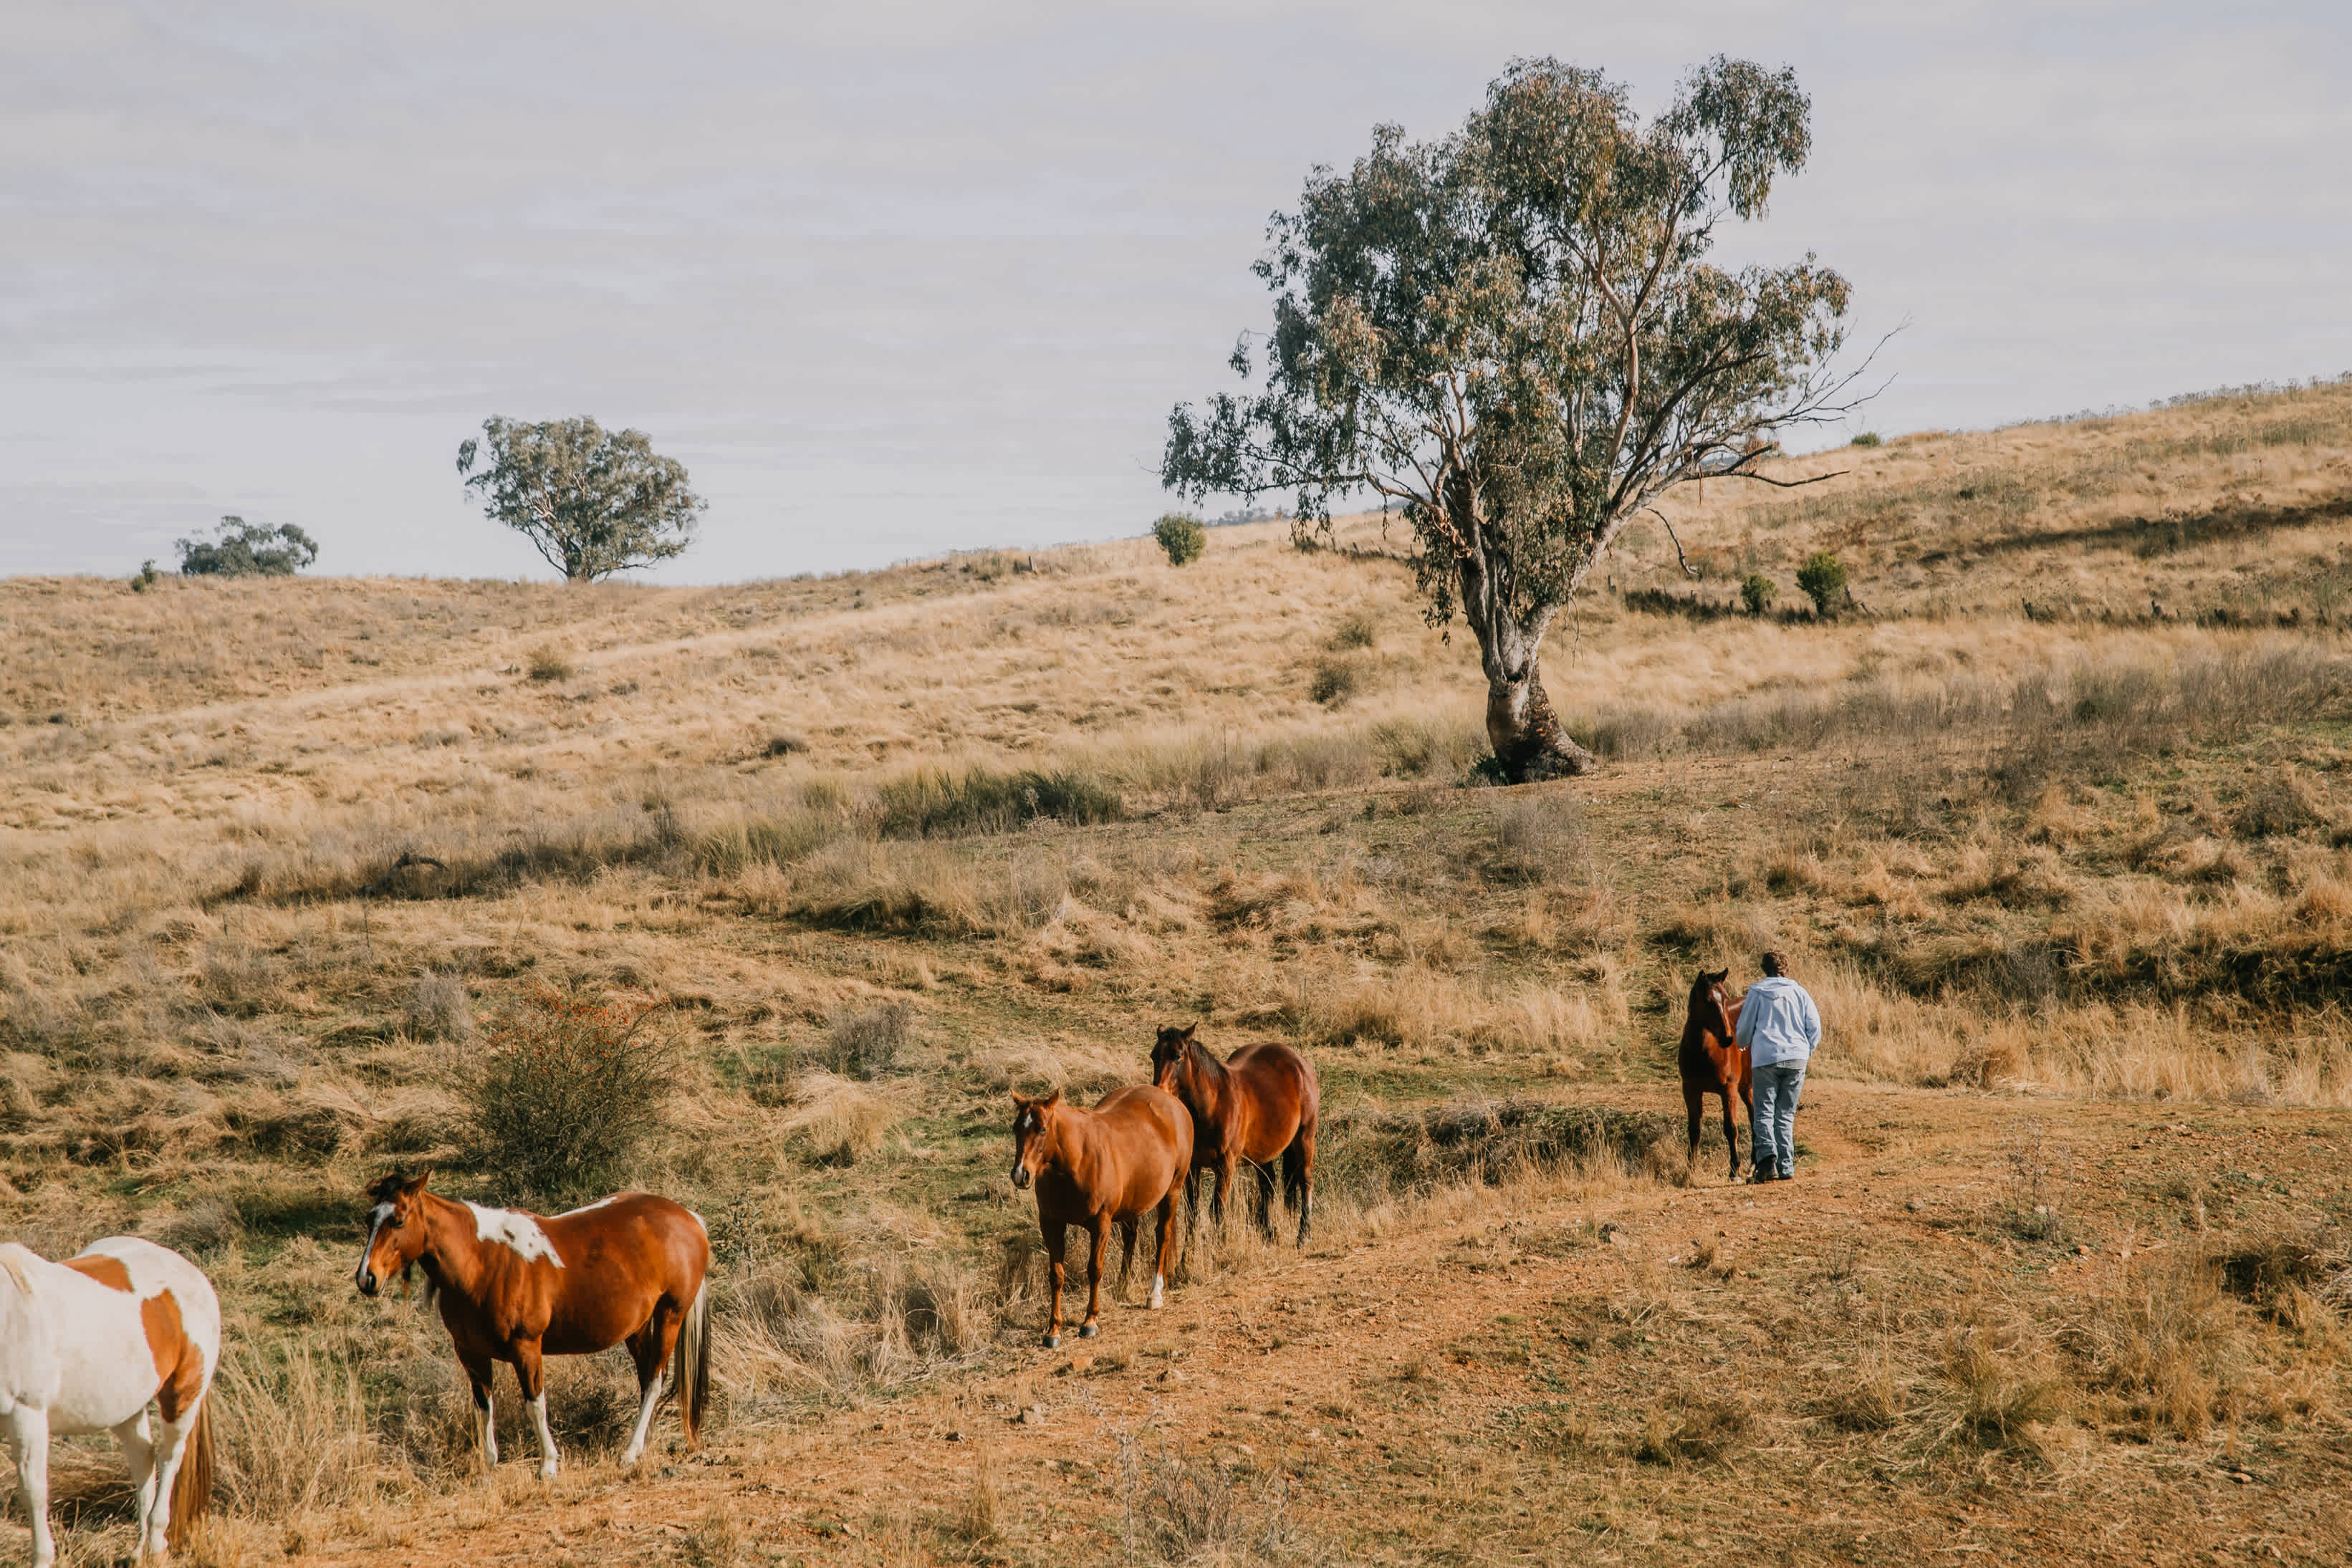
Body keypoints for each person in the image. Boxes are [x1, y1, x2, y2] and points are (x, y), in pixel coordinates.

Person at [1734, 951, 1820, 1183]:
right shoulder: (1800, 992)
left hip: (1766, 1059)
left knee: (1764, 1112)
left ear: (1764, 968)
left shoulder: (1757, 992)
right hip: (1796, 1058)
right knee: (1785, 1114)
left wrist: (1742, 1044)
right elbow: (1815, 1027)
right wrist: (1805, 1051)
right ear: (1786, 968)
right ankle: (1786, 1166)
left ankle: (1766, 1163)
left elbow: (1744, 1030)